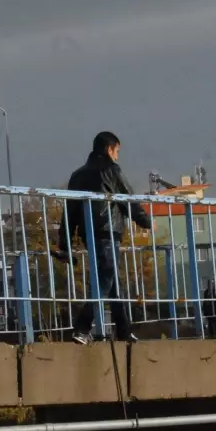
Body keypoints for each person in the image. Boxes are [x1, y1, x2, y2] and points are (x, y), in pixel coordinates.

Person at [58, 131, 150, 345]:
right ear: (109, 149)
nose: (117, 156)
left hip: (89, 233)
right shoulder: (111, 170)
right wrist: (145, 221)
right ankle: (82, 328)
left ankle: (124, 330)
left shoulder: (78, 174)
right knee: (104, 281)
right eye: (117, 151)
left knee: (113, 282)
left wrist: (66, 242)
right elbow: (128, 199)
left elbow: (69, 212)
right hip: (109, 231)